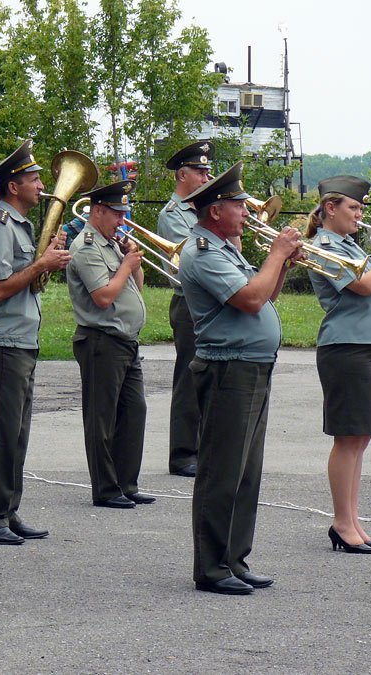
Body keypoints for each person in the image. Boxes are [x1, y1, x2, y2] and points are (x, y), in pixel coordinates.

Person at [178, 161, 303, 595]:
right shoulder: (203, 252)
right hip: (227, 368)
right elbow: (250, 299)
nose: (247, 212)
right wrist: (276, 254)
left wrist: (282, 266)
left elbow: (265, 294)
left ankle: (234, 558)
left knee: (247, 473)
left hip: (250, 366)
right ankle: (211, 567)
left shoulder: (227, 248)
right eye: (239, 205)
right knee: (222, 472)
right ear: (215, 211)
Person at [305, 175, 371, 554]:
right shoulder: (323, 246)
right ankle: (341, 522)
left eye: (360, 208)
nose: (359, 214)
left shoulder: (348, 243)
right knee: (348, 439)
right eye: (353, 207)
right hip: (346, 348)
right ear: (330, 208)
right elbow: (364, 285)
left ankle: (351, 519)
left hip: (364, 346)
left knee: (359, 438)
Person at [0, 139, 71, 545]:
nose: (41, 185)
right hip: (4, 342)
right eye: (33, 179)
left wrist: (45, 262)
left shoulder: (20, 226)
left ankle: (7, 511)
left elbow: (28, 283)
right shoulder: (0, 227)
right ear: (13, 186)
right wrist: (41, 264)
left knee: (16, 435)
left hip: (20, 339)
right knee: (1, 435)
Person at [67, 180, 155, 509]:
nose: (122, 220)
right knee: (101, 419)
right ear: (98, 211)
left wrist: (132, 261)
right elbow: (103, 297)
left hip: (126, 341)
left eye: (123, 213)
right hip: (101, 340)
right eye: (117, 214)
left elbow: (136, 286)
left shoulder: (110, 244)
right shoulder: (87, 247)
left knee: (134, 413)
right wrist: (126, 266)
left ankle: (126, 483)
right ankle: (105, 488)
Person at [156, 141, 215, 478]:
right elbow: (191, 258)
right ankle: (182, 454)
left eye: (207, 171)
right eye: (200, 172)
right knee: (189, 379)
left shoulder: (204, 208)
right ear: (182, 175)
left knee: (211, 376)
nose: (207, 177)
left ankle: (205, 447)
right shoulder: (173, 214)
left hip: (211, 302)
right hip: (189, 301)